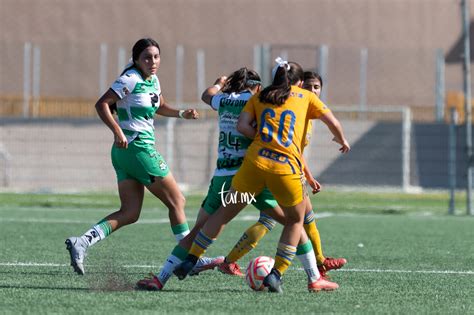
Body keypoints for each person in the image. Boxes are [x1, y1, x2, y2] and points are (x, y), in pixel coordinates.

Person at [172, 58, 350, 293]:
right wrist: (341, 139)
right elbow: (333, 121)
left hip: (253, 166)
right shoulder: (305, 97)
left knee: (224, 214)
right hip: (284, 169)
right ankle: (277, 274)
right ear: (297, 82)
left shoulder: (260, 96)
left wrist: (263, 137)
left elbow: (242, 126)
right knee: (296, 221)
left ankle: (192, 258)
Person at [65, 38, 200, 275]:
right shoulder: (131, 78)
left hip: (125, 154)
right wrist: (117, 130)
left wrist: (181, 113)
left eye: (156, 57)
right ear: (137, 59)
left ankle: (82, 242)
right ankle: (189, 258)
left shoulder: (152, 80)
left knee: (130, 212)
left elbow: (159, 105)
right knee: (177, 201)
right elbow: (102, 104)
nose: (153, 61)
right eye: (147, 57)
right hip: (138, 149)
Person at [217, 70, 348, 280]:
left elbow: (295, 150)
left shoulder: (307, 111)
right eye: (308, 86)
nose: (311, 90)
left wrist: (308, 175)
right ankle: (319, 265)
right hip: (274, 169)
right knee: (293, 218)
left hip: (282, 168)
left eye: (316, 87)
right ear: (298, 86)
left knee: (282, 219)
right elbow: (284, 146)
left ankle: (228, 261)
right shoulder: (293, 106)